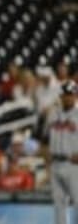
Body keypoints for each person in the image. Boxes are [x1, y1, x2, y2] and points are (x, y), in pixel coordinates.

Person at [47, 80, 78, 224]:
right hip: (55, 163)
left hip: (73, 165)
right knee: (59, 205)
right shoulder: (53, 114)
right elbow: (44, 137)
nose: (67, 97)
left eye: (70, 94)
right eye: (65, 94)